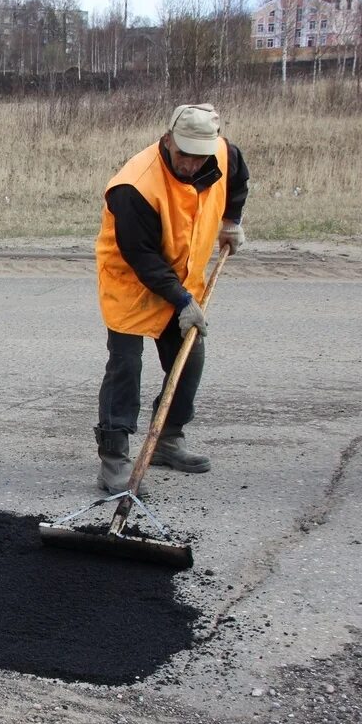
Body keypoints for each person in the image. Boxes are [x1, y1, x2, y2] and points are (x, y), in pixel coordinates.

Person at [93, 103, 249, 495]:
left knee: (188, 360)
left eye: (200, 157)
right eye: (184, 156)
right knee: (125, 367)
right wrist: (182, 300)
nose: (192, 165)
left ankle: (168, 438)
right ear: (167, 141)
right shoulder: (134, 186)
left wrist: (232, 222)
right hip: (131, 281)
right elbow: (142, 257)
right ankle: (113, 460)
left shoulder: (222, 154)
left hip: (182, 278)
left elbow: (237, 178)